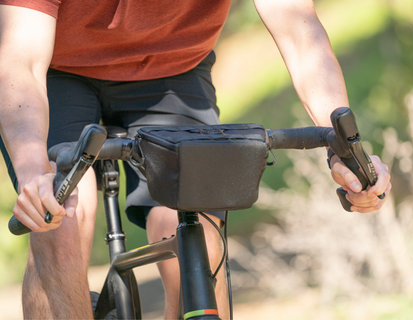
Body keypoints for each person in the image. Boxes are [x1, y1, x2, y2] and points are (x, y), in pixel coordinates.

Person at [0, 0, 392, 319]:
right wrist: (34, 172)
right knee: (61, 215)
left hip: (172, 65)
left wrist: (344, 147)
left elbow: (298, 28)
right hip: (54, 67)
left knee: (200, 235)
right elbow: (21, 61)